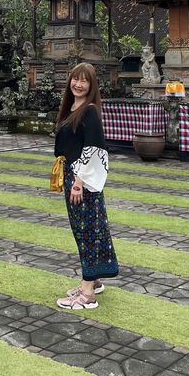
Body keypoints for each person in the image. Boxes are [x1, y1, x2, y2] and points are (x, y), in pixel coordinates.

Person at [53, 62, 119, 310]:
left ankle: (87, 293)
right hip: (72, 175)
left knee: (88, 230)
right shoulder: (71, 107)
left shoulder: (89, 111)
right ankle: (94, 279)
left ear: (91, 86)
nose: (78, 84)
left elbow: (94, 150)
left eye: (84, 81)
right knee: (87, 229)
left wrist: (79, 182)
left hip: (83, 181)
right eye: (75, 79)